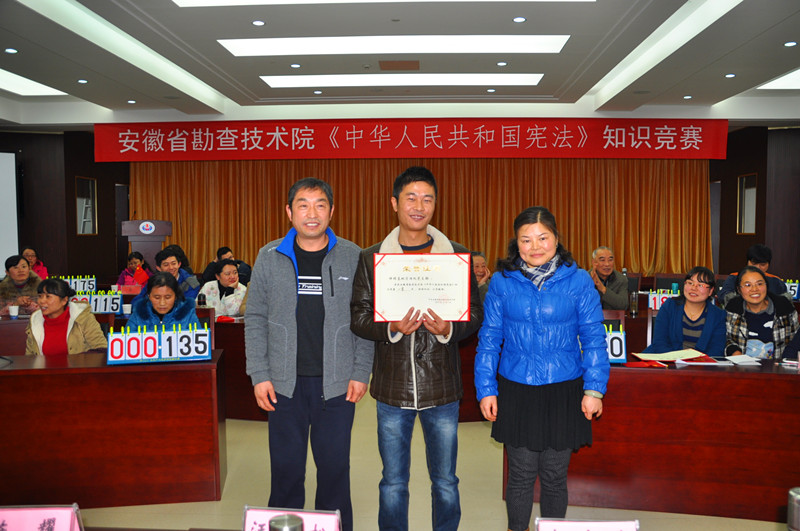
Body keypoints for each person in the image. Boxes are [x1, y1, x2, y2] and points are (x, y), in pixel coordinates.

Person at [351, 166, 483, 531]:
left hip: (442, 389)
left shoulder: (456, 257)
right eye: (411, 198)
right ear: (394, 203)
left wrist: (449, 328)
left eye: (427, 199)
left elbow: (475, 315)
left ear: (435, 205)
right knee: (393, 482)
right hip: (392, 390)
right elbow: (358, 318)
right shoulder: (372, 259)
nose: (419, 206)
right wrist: (391, 327)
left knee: (446, 481)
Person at [245, 178, 373, 531]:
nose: (311, 213)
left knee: (334, 471)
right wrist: (259, 374)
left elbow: (365, 318)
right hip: (283, 385)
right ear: (289, 212)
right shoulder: (269, 256)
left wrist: (361, 371)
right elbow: (255, 318)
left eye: (320, 205)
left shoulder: (353, 256)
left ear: (332, 211)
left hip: (337, 385)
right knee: (286, 472)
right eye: (303, 205)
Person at [474, 206, 608, 531]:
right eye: (526, 240)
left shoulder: (578, 280)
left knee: (554, 475)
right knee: (520, 474)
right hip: (517, 388)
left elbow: (593, 338)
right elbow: (489, 339)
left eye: (542, 237)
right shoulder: (502, 282)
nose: (535, 247)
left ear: (556, 238)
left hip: (564, 389)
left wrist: (594, 389)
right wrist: (486, 389)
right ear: (516, 243)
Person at [643, 266, 726, 357]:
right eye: (690, 283)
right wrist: (677, 360)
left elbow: (716, 350)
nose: (693, 288)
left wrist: (695, 362)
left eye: (700, 285)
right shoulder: (669, 307)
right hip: (666, 360)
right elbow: (660, 343)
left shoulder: (718, 315)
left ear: (710, 291)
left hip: (701, 364)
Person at [723, 265, 799, 359]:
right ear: (739, 289)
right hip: (741, 366)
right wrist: (735, 353)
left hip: (778, 365)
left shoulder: (784, 308)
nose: (754, 289)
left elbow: (795, 341)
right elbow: (727, 339)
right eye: (748, 285)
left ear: (766, 285)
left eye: (759, 284)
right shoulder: (732, 309)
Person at [25, 278, 107, 355]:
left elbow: (102, 349)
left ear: (64, 300)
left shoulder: (83, 318)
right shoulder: (35, 320)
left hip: (78, 365)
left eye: (48, 296)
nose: (41, 301)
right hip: (43, 366)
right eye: (40, 296)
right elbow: (30, 356)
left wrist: (77, 361)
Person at [716, 244, 790, 306]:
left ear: (768, 264)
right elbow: (722, 296)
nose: (757, 268)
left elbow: (786, 303)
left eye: (762, 265)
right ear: (747, 262)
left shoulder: (776, 282)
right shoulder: (734, 277)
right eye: (754, 263)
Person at [126, 272, 200, 330]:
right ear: (149, 296)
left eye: (167, 297)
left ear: (176, 296)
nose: (162, 303)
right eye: (157, 297)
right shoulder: (138, 314)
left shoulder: (188, 314)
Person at [132, 247, 200, 302]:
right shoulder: (154, 281)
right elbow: (136, 301)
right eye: (166, 265)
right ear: (159, 268)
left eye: (173, 263)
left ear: (179, 264)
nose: (171, 268)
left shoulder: (190, 282)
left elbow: (186, 305)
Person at [588, 246, 628, 310]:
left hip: (613, 316)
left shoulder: (621, 279)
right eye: (602, 260)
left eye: (610, 260)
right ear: (594, 262)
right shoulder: (586, 278)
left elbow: (623, 305)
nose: (607, 264)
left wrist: (603, 289)